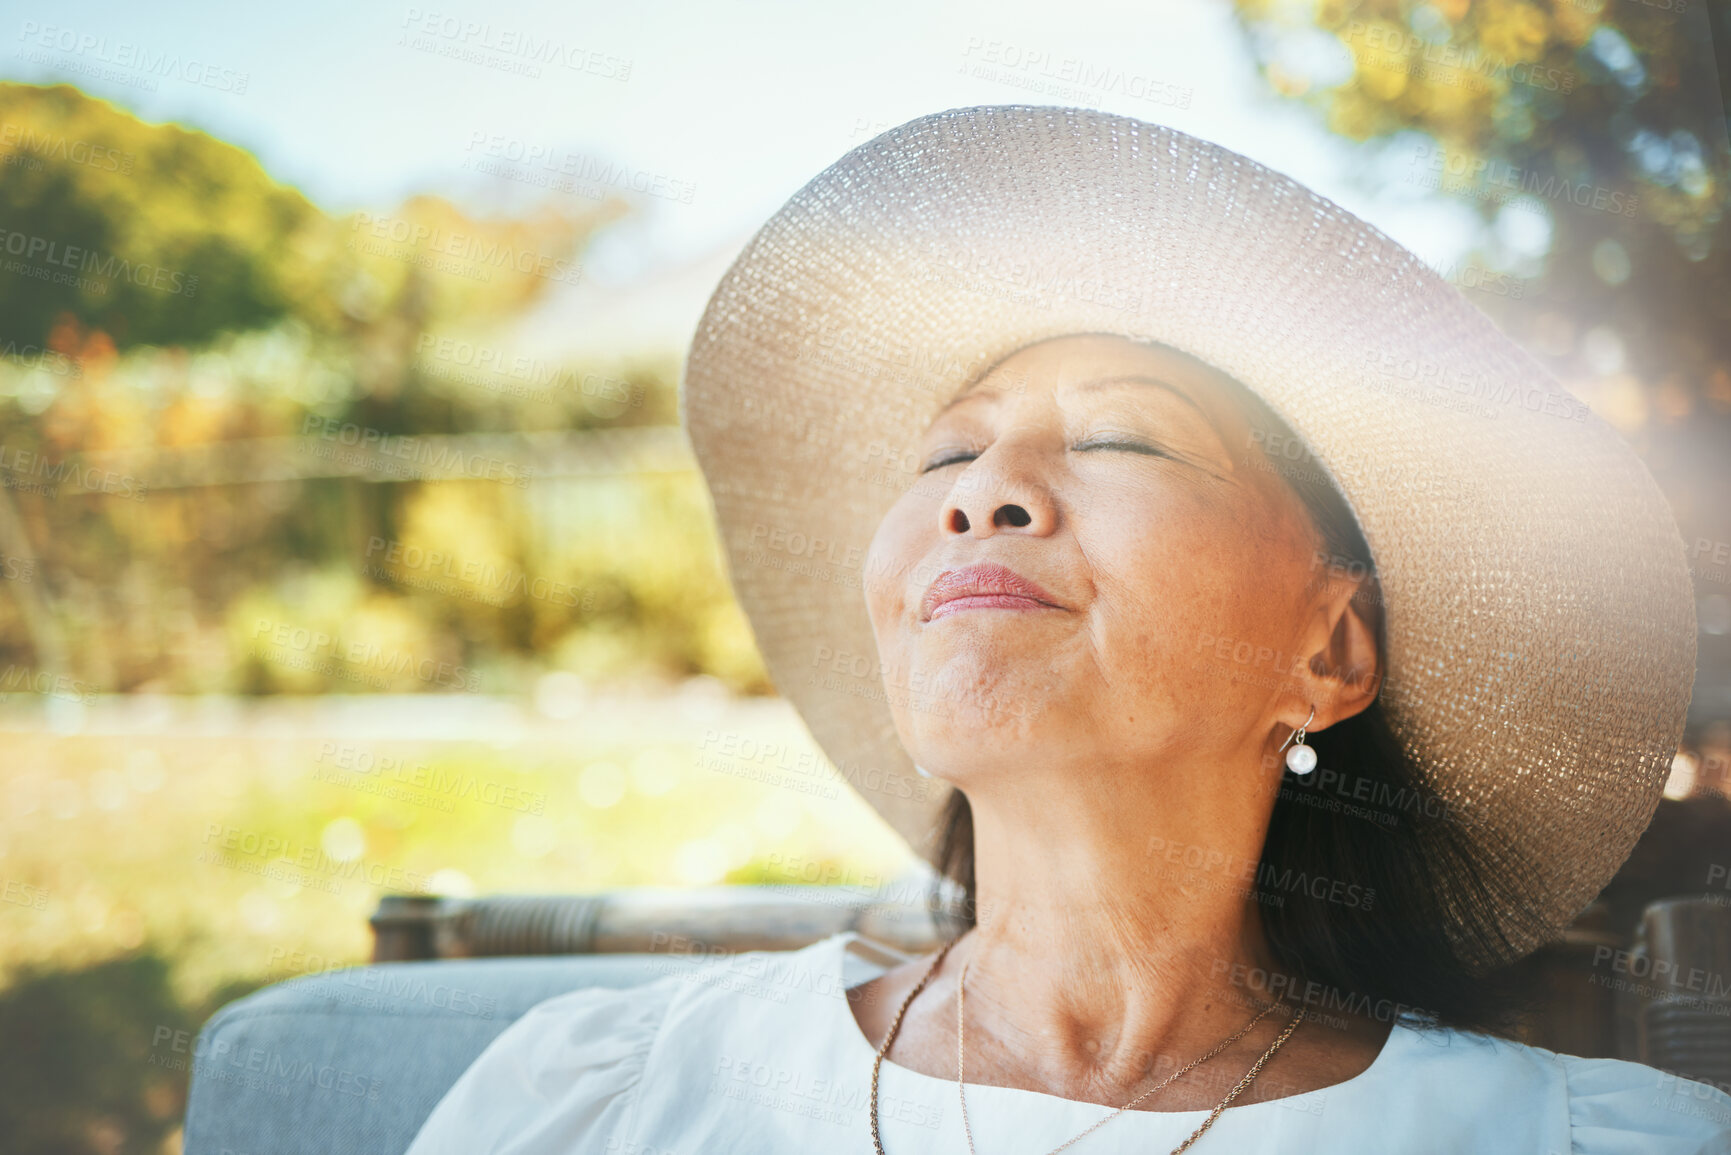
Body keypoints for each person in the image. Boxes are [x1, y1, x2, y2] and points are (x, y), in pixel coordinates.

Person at [404, 105, 1731, 1153]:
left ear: (1330, 655)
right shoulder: (608, 1103)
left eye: (1118, 435)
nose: (983, 493)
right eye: (946, 454)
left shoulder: (1569, 1142)